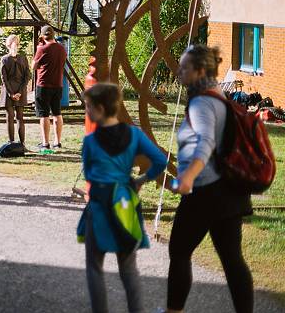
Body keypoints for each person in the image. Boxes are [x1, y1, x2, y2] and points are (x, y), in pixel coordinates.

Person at [164, 45, 253, 313]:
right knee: (232, 259)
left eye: (185, 67)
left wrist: (188, 177)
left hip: (205, 191)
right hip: (230, 192)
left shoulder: (203, 102)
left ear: (201, 71)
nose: (179, 72)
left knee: (179, 251)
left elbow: (205, 142)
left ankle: (173, 311)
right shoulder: (219, 95)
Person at [78, 82, 167, 313]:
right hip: (125, 204)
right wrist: (140, 181)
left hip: (99, 206)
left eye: (88, 107)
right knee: (128, 270)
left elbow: (88, 172)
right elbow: (161, 160)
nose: (86, 111)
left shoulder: (90, 141)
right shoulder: (135, 135)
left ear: (99, 108)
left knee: (94, 267)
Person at [31, 25, 67, 149]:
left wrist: (39, 48)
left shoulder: (42, 49)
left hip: (44, 85)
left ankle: (45, 143)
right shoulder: (62, 49)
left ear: (42, 36)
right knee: (57, 113)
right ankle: (57, 142)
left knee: (44, 115)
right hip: (58, 85)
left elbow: (33, 66)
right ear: (53, 35)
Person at [0, 34, 31, 144]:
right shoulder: (23, 58)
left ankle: (12, 143)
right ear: (18, 44)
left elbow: (4, 79)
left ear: (7, 45)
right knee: (20, 118)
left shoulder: (4, 59)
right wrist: (20, 91)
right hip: (20, 90)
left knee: (10, 117)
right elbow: (27, 76)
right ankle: (22, 144)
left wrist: (11, 93)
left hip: (10, 91)